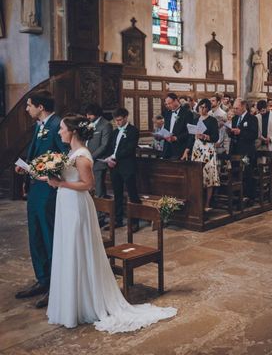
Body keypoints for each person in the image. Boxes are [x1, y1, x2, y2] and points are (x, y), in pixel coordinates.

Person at [44, 114, 176, 332]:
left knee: (78, 249)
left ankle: (85, 300)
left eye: (62, 129)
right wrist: (44, 175)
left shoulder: (82, 156)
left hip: (76, 206)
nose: (59, 132)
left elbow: (88, 184)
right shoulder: (72, 152)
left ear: (73, 132)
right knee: (68, 249)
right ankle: (73, 300)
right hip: (67, 204)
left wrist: (61, 183)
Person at [14, 90, 67, 309]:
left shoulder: (57, 125)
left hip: (49, 190)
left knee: (49, 236)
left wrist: (44, 172)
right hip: (35, 189)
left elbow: (65, 156)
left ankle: (56, 286)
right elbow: (36, 154)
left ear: (40, 107)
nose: (27, 109)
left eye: (29, 105)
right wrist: (26, 165)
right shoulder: (39, 126)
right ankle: (42, 279)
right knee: (35, 235)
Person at [105, 108, 140, 230]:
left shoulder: (133, 131)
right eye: (116, 121)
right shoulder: (115, 132)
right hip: (114, 166)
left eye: (119, 120)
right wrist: (109, 158)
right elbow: (111, 147)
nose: (118, 122)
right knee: (117, 194)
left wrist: (114, 157)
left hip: (127, 166)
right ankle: (118, 219)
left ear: (126, 117)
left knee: (132, 193)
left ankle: (135, 222)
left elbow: (130, 149)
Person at [182, 99, 220, 211]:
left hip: (208, 149)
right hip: (197, 149)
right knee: (197, 176)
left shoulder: (212, 120)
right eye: (200, 107)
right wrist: (186, 150)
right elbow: (190, 137)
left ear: (208, 108)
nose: (202, 109)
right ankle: (198, 202)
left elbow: (216, 137)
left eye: (204, 107)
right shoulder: (195, 120)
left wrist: (206, 136)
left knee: (209, 176)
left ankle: (207, 203)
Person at [85, 103, 113, 226]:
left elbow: (104, 145)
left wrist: (91, 156)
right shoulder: (89, 124)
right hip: (87, 161)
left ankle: (100, 217)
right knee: (89, 189)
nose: (88, 117)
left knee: (99, 190)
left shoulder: (105, 125)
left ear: (96, 113)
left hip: (98, 162)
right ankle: (92, 214)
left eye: (90, 114)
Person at [230, 98, 259, 200]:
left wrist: (240, 132)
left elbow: (254, 135)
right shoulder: (234, 119)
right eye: (233, 108)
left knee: (247, 173)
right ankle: (238, 196)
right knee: (236, 174)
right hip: (235, 151)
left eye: (236, 108)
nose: (234, 110)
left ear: (243, 106)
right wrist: (229, 131)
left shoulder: (252, 119)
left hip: (246, 152)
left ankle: (249, 196)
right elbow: (232, 134)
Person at [162, 93, 194, 159]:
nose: (168, 105)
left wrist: (176, 138)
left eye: (169, 103)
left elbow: (190, 132)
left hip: (180, 147)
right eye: (166, 104)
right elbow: (166, 128)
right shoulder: (167, 113)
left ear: (176, 100)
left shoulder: (187, 113)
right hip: (167, 147)